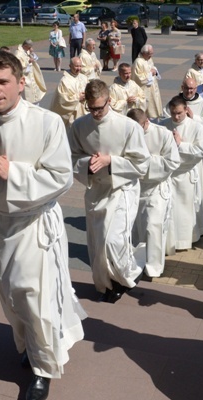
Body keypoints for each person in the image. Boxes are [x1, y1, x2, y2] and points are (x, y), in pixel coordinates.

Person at [0, 50, 87, 400]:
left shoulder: (47, 123)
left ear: (21, 83)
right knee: (11, 296)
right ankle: (28, 347)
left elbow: (60, 178)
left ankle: (44, 369)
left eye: (3, 81)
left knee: (36, 298)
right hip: (1, 225)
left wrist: (16, 174)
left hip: (35, 224)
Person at [69, 79, 150, 303]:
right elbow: (71, 157)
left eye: (100, 107)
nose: (95, 113)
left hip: (122, 189)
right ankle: (107, 284)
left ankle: (129, 274)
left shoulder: (128, 126)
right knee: (97, 243)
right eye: (91, 108)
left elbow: (142, 163)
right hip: (96, 190)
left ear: (110, 101)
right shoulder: (79, 126)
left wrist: (110, 161)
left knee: (113, 240)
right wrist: (87, 164)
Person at [127, 108, 180, 278]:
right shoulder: (127, 133)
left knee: (153, 227)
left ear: (146, 122)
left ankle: (153, 268)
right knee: (136, 229)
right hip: (136, 187)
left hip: (156, 188)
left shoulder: (162, 134)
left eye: (138, 128)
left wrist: (145, 162)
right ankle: (137, 261)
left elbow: (172, 161)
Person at [160, 96, 203, 253]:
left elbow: (200, 151)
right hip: (169, 174)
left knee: (185, 210)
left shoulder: (197, 127)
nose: (176, 117)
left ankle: (187, 239)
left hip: (186, 174)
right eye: (173, 113)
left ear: (186, 109)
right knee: (170, 209)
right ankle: (171, 240)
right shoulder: (164, 126)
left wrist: (181, 144)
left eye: (179, 113)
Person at [50, 57, 88, 128]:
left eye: (80, 66)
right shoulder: (64, 81)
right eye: (76, 66)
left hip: (84, 112)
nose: (79, 68)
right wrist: (77, 97)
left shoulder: (84, 78)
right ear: (70, 66)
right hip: (72, 116)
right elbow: (61, 100)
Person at [131, 45, 162, 120]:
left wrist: (154, 70)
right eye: (149, 54)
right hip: (144, 89)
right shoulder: (138, 62)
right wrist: (150, 73)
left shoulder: (149, 59)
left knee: (154, 105)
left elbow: (152, 67)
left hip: (153, 87)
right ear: (144, 53)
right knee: (146, 106)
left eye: (152, 53)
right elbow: (138, 77)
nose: (151, 56)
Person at [15, 39, 46, 105]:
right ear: (25, 46)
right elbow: (18, 66)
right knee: (27, 94)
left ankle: (35, 104)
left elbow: (35, 58)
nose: (30, 49)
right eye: (29, 47)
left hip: (31, 74)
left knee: (34, 91)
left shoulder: (27, 51)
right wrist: (28, 62)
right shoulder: (18, 53)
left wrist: (31, 53)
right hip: (24, 76)